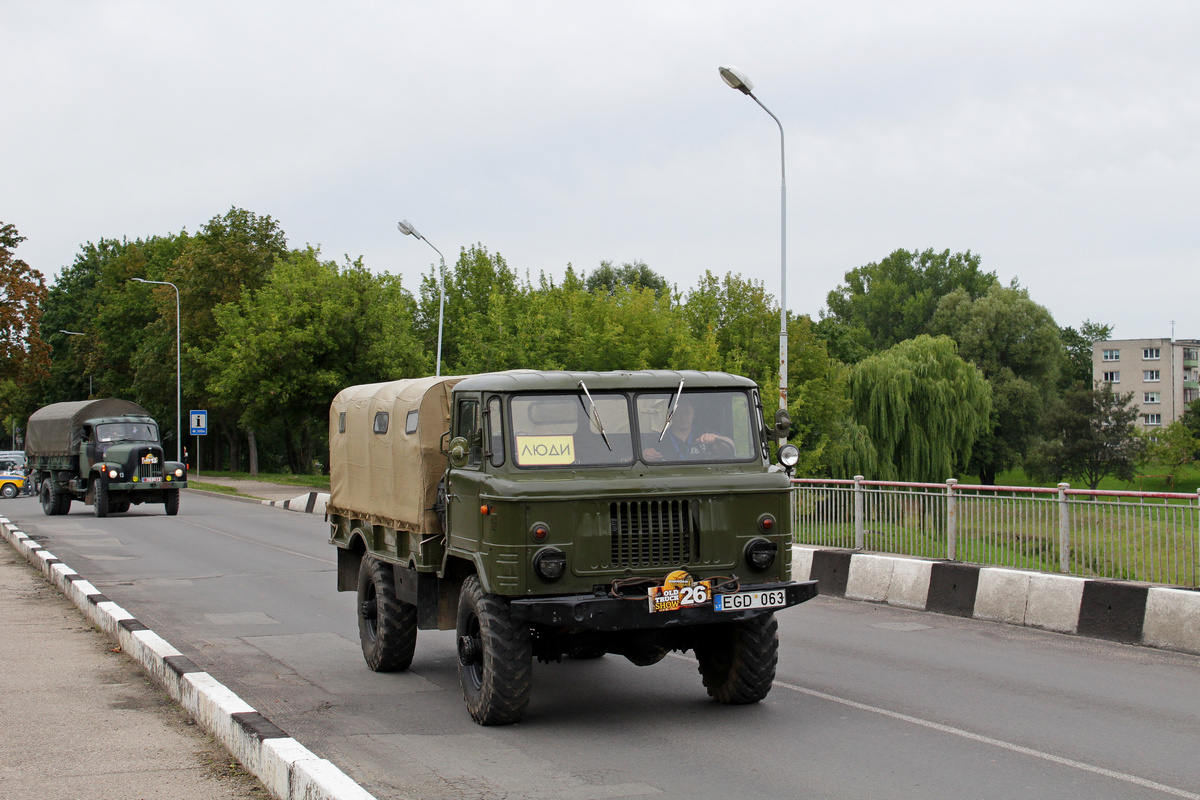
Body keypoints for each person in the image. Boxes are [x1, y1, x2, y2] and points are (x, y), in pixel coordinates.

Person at [642, 399, 734, 461]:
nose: (683, 417)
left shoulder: (704, 434)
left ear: (693, 413)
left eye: (687, 413)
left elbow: (731, 447)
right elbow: (632, 458)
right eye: (679, 413)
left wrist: (716, 438)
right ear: (671, 416)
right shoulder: (659, 439)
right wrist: (644, 455)